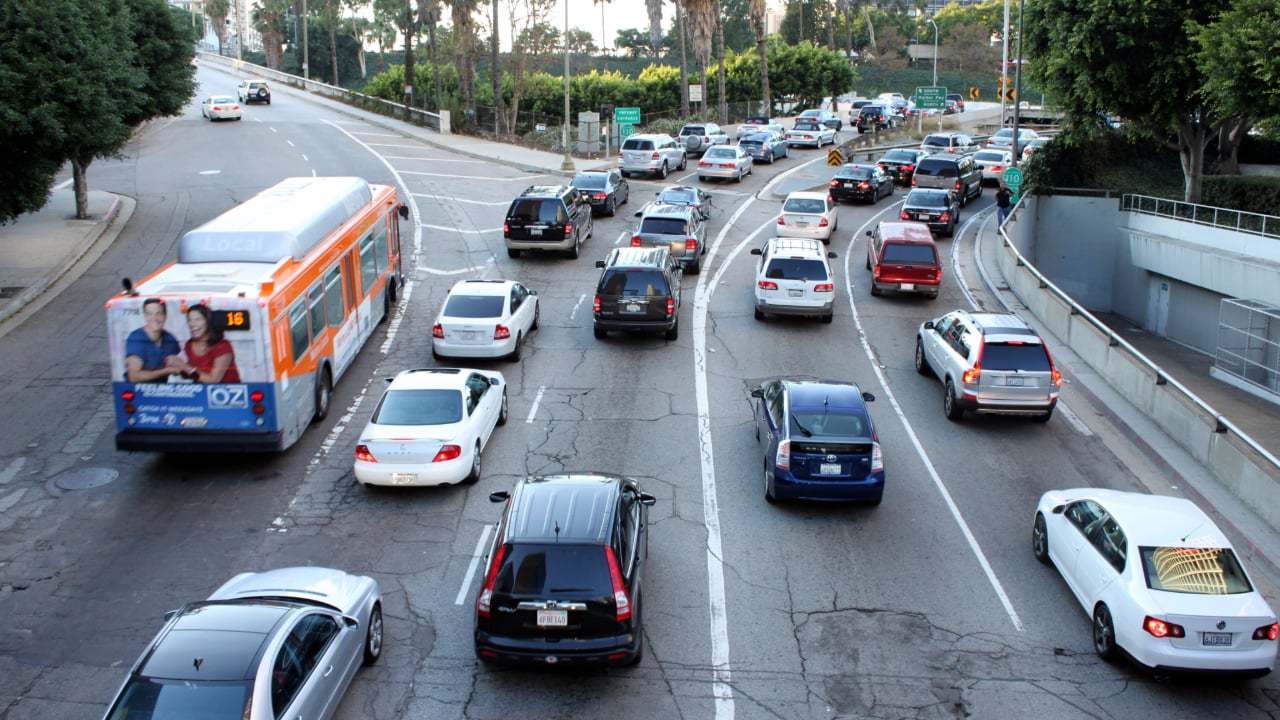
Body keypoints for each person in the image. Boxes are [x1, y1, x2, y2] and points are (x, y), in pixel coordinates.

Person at [172, 304, 241, 383]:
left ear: (208, 322)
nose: (192, 324)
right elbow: (192, 373)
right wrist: (176, 367)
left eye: (197, 319)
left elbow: (214, 380)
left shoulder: (223, 346)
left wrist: (184, 366)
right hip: (201, 391)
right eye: (189, 320)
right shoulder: (189, 344)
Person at [125, 298, 181, 382]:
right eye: (150, 314)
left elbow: (179, 366)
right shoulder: (136, 338)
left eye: (159, 313)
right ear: (145, 316)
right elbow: (134, 377)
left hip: (163, 391)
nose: (155, 318)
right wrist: (166, 371)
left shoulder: (170, 338)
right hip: (138, 391)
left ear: (165, 316)